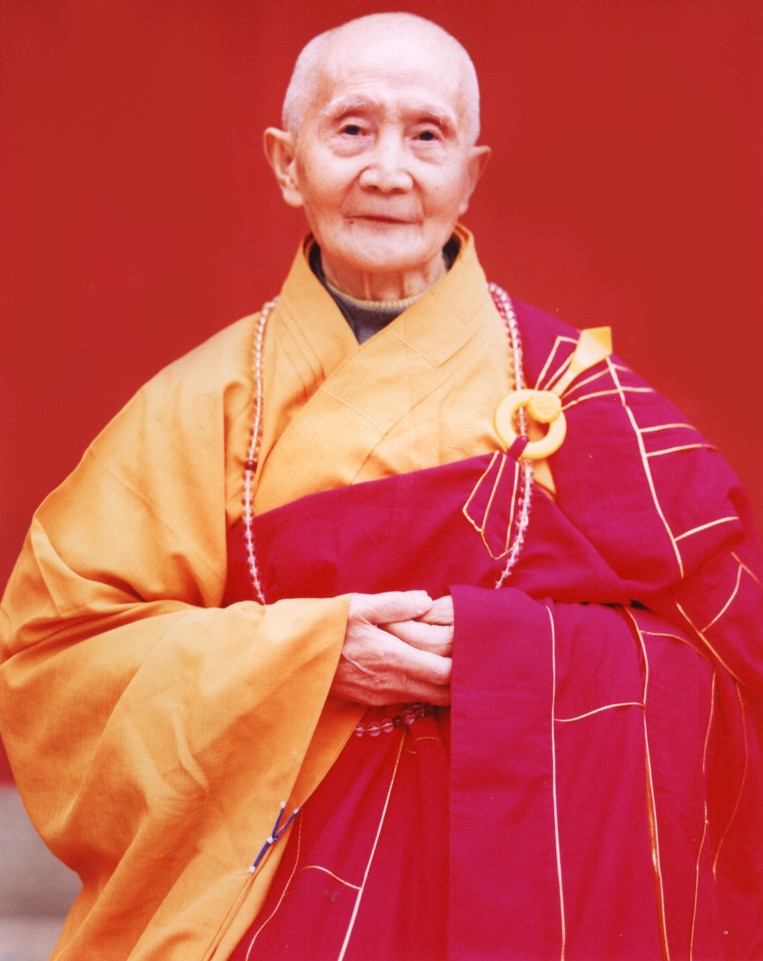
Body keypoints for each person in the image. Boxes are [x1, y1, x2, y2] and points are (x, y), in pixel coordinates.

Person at [1, 11, 762, 961]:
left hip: (516, 891)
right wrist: (306, 656)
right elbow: (55, 657)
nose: (388, 170)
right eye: (351, 128)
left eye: (427, 135)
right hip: (267, 892)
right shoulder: (199, 406)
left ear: (469, 175)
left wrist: (506, 657)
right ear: (288, 163)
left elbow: (727, 653)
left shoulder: (571, 393)